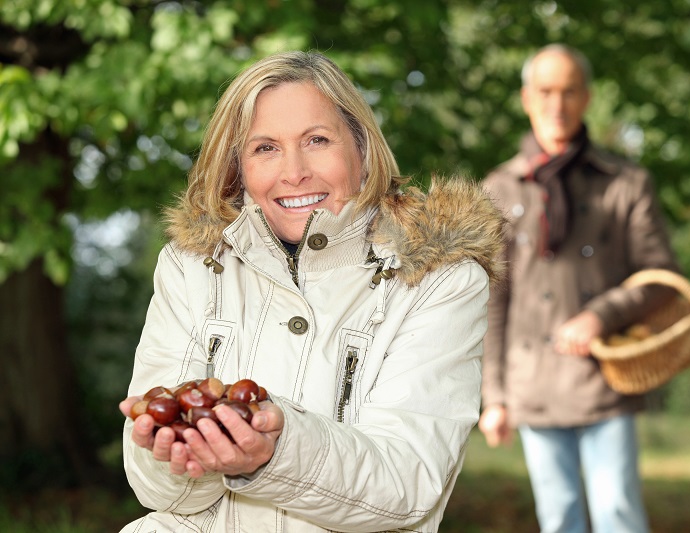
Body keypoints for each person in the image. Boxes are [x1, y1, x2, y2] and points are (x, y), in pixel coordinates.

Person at [118, 50, 504, 533]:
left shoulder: (438, 277)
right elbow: (157, 492)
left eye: (317, 140)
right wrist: (176, 452)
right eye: (265, 148)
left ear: (362, 149)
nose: (294, 171)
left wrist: (275, 451)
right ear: (238, 166)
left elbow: (407, 482)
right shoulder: (193, 267)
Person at [478, 44, 680, 533]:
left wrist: (601, 316)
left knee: (618, 512)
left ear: (587, 98)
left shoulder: (626, 182)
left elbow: (661, 277)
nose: (557, 104)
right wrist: (494, 396)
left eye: (569, 91)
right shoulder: (500, 189)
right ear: (527, 98)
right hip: (533, 380)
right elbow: (491, 301)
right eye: (546, 91)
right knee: (559, 516)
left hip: (606, 376)